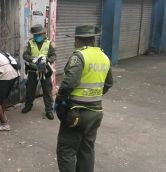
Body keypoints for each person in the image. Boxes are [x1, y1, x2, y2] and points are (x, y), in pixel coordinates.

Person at [55, 25, 113, 172]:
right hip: (96, 112)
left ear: (78, 40)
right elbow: (108, 83)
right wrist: (93, 95)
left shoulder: (79, 56)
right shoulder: (104, 56)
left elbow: (69, 83)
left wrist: (59, 99)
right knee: (87, 149)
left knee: (66, 150)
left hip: (77, 112)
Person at [21, 24, 56, 120]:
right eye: (35, 35)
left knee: (47, 90)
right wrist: (33, 59)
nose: (37, 37)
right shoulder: (30, 43)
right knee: (30, 89)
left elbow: (54, 55)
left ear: (43, 33)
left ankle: (49, 110)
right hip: (33, 70)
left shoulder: (49, 43)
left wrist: (47, 59)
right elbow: (25, 55)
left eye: (39, 34)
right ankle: (28, 105)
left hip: (45, 70)